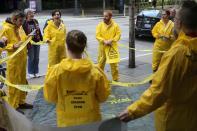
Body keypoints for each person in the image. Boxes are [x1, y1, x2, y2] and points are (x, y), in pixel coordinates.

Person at [118, 1, 197, 131]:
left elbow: (159, 91)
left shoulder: (178, 53)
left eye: (175, 18)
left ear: (179, 23)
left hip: (174, 120)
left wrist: (132, 111)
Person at [44, 30, 110, 127]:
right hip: (91, 121)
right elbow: (103, 96)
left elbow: (50, 97)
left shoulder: (55, 72)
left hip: (66, 122)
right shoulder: (96, 72)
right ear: (84, 47)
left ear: (66, 46)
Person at [0, 11, 33, 111]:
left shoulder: (20, 27)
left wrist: (28, 37)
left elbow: (22, 39)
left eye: (23, 21)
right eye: (20, 21)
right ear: (14, 20)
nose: (22, 23)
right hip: (13, 61)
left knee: (22, 81)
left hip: (22, 59)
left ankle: (21, 102)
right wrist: (13, 46)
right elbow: (2, 46)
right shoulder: (6, 29)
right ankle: (14, 105)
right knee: (14, 84)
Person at [96, 10, 121, 81]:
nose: (104, 17)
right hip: (102, 48)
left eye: (106, 16)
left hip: (112, 47)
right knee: (100, 64)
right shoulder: (100, 25)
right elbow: (97, 35)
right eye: (103, 16)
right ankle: (99, 79)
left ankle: (115, 79)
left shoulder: (115, 26)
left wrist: (111, 40)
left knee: (114, 65)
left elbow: (118, 35)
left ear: (110, 16)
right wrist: (104, 41)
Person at [22, 8, 43, 78]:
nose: (32, 14)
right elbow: (22, 33)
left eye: (32, 13)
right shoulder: (24, 23)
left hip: (37, 41)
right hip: (29, 42)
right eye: (30, 13)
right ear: (26, 15)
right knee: (31, 57)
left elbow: (38, 30)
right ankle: (30, 72)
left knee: (37, 58)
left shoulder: (35, 21)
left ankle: (36, 72)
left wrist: (41, 38)